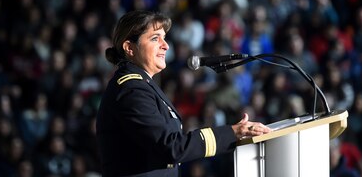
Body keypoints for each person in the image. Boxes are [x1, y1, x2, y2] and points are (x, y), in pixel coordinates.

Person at [96, 10, 271, 177]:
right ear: (129, 47)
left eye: (164, 39)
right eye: (155, 39)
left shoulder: (141, 85)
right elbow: (171, 147)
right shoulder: (131, 90)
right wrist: (232, 133)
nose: (165, 46)